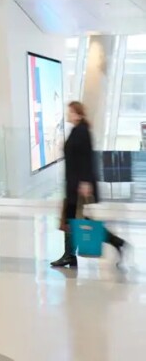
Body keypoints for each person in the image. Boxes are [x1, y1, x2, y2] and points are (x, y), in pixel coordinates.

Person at [51, 101, 127, 269]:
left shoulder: (82, 131)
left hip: (79, 187)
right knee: (71, 220)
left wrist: (85, 182)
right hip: (73, 185)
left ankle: (115, 242)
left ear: (79, 114)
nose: (68, 114)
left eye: (71, 112)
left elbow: (87, 159)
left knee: (79, 221)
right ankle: (70, 255)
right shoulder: (77, 130)